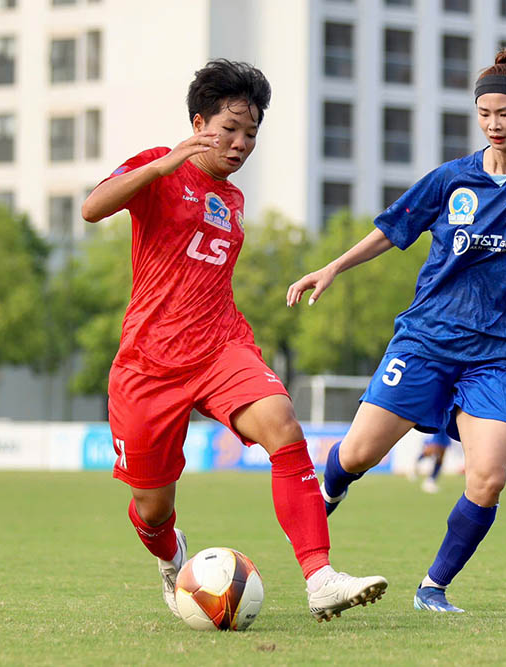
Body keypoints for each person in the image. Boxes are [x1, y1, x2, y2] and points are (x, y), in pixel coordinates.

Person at [81, 59, 387, 623]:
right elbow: (92, 207)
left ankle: (320, 578)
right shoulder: (159, 167)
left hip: (222, 345)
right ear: (199, 122)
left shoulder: (234, 200)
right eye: (230, 129)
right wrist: (168, 161)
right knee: (151, 510)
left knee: (284, 427)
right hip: (148, 365)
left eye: (251, 134)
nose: (242, 143)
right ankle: (171, 553)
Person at [287, 49, 506, 613]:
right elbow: (391, 229)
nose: (494, 125)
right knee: (356, 454)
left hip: (495, 357)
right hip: (424, 341)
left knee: (489, 478)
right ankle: (328, 490)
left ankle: (433, 588)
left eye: (505, 113)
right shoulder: (452, 179)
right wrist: (332, 267)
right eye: (484, 114)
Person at [411, 427, 454, 494]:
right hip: (440, 429)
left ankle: (431, 480)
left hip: (446, 430)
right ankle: (416, 467)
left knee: (440, 458)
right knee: (429, 452)